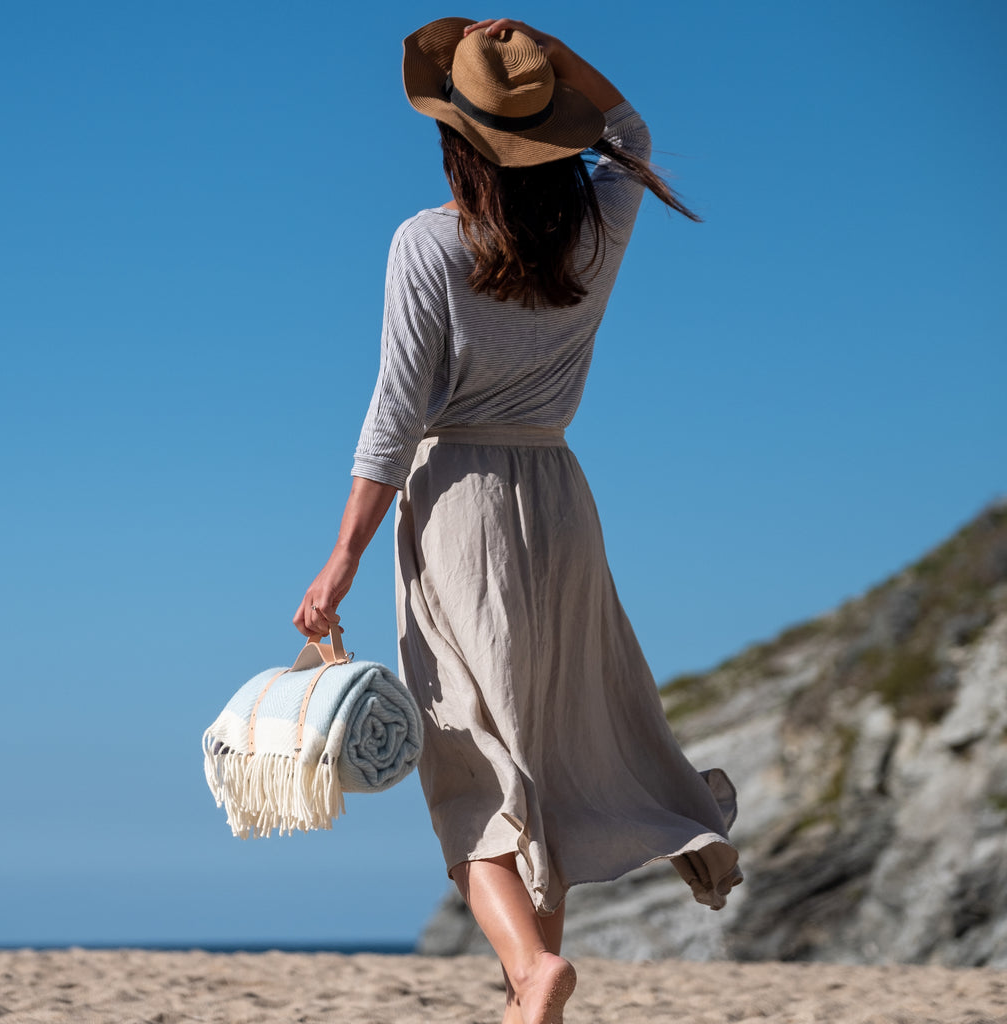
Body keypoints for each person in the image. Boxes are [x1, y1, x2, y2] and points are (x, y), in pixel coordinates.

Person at [294, 17, 741, 1024]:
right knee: (538, 758)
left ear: (455, 138)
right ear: (551, 136)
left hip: (454, 507)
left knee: (466, 762)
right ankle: (528, 992)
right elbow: (629, 124)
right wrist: (537, 59)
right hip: (560, 503)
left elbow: (393, 415)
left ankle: (533, 974)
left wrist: (339, 560)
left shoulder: (426, 243)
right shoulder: (598, 225)